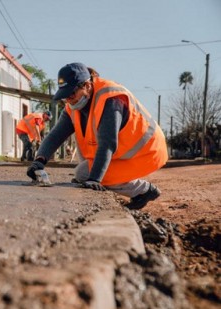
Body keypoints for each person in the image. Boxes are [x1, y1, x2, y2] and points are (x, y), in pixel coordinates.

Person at [27, 63, 168, 210]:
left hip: (147, 152)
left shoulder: (110, 99)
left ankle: (144, 190)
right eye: (65, 96)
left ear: (87, 86)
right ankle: (96, 177)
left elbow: (108, 143)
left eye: (71, 94)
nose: (69, 100)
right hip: (123, 152)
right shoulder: (73, 106)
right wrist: (39, 161)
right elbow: (55, 136)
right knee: (84, 172)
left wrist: (94, 179)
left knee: (83, 174)